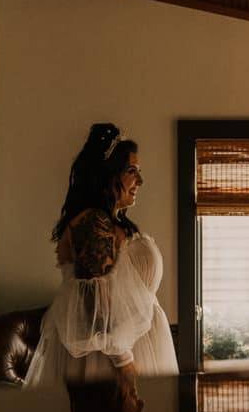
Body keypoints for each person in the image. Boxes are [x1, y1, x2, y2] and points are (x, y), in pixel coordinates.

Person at [25, 123, 179, 386]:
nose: (140, 181)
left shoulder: (109, 222)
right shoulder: (93, 223)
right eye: (132, 171)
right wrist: (124, 362)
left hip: (134, 345)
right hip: (109, 359)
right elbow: (93, 300)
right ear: (108, 175)